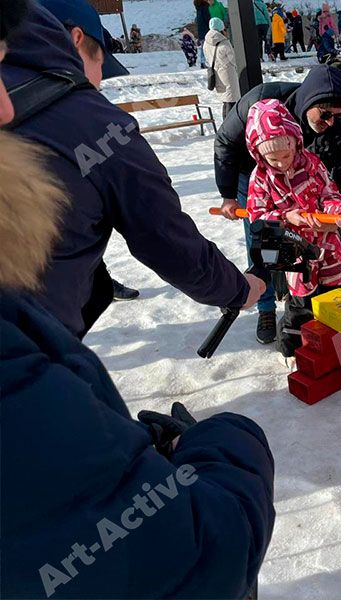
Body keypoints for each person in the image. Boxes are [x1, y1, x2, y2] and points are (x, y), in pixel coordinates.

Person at [0, 4, 276, 597]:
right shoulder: (90, 120)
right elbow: (193, 554)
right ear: (78, 40)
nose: (4, 109)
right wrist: (228, 439)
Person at [2, 0, 265, 340]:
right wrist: (236, 289)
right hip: (26, 342)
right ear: (76, 39)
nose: (98, 84)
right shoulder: (94, 122)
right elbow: (164, 236)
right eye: (102, 66)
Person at [213, 66, 341, 343]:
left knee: (331, 280)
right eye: (325, 114)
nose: (330, 121)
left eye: (337, 116)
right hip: (255, 177)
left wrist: (338, 212)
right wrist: (230, 195)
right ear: (309, 103)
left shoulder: (321, 149)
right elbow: (225, 145)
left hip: (316, 227)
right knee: (267, 251)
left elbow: (339, 181)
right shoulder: (260, 105)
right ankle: (268, 310)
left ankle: (334, 326)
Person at [246, 99, 341, 357]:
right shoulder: (261, 177)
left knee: (336, 295)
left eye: (286, 154)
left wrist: (336, 212)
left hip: (327, 244)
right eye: (273, 158)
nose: (282, 162)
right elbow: (257, 216)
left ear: (296, 141)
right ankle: (292, 350)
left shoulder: (313, 164)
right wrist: (286, 217)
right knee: (301, 303)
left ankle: (338, 345)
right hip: (294, 251)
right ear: (259, 154)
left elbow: (329, 193)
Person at [205, 17, 241, 117]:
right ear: (221, 28)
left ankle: (225, 125)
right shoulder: (224, 42)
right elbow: (233, 60)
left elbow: (207, 58)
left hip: (217, 74)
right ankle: (230, 127)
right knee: (231, 101)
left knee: (225, 102)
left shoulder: (206, 42)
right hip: (228, 75)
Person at [195, 0, 211, 66]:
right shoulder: (205, 7)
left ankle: (202, 62)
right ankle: (206, 62)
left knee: (203, 47)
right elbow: (207, 19)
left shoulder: (198, 8)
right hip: (206, 30)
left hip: (201, 31)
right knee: (208, 47)